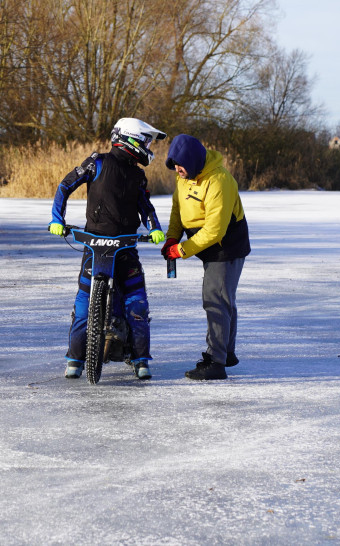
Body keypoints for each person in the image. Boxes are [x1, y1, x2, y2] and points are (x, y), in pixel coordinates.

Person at [49, 118, 167, 380]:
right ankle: (75, 359)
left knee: (137, 304)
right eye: (145, 141)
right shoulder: (97, 162)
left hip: (126, 247)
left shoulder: (138, 174)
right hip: (95, 245)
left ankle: (140, 358)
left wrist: (154, 227)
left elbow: (145, 206)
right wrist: (57, 219)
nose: (148, 146)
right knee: (83, 303)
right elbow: (65, 186)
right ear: (131, 140)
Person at [162, 134, 250, 381]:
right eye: (174, 166)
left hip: (226, 246)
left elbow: (215, 230)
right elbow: (178, 211)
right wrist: (172, 238)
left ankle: (216, 362)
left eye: (180, 165)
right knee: (224, 299)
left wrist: (181, 250)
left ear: (193, 160)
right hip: (204, 244)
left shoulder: (219, 180)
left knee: (215, 300)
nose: (177, 170)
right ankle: (227, 353)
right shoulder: (185, 178)